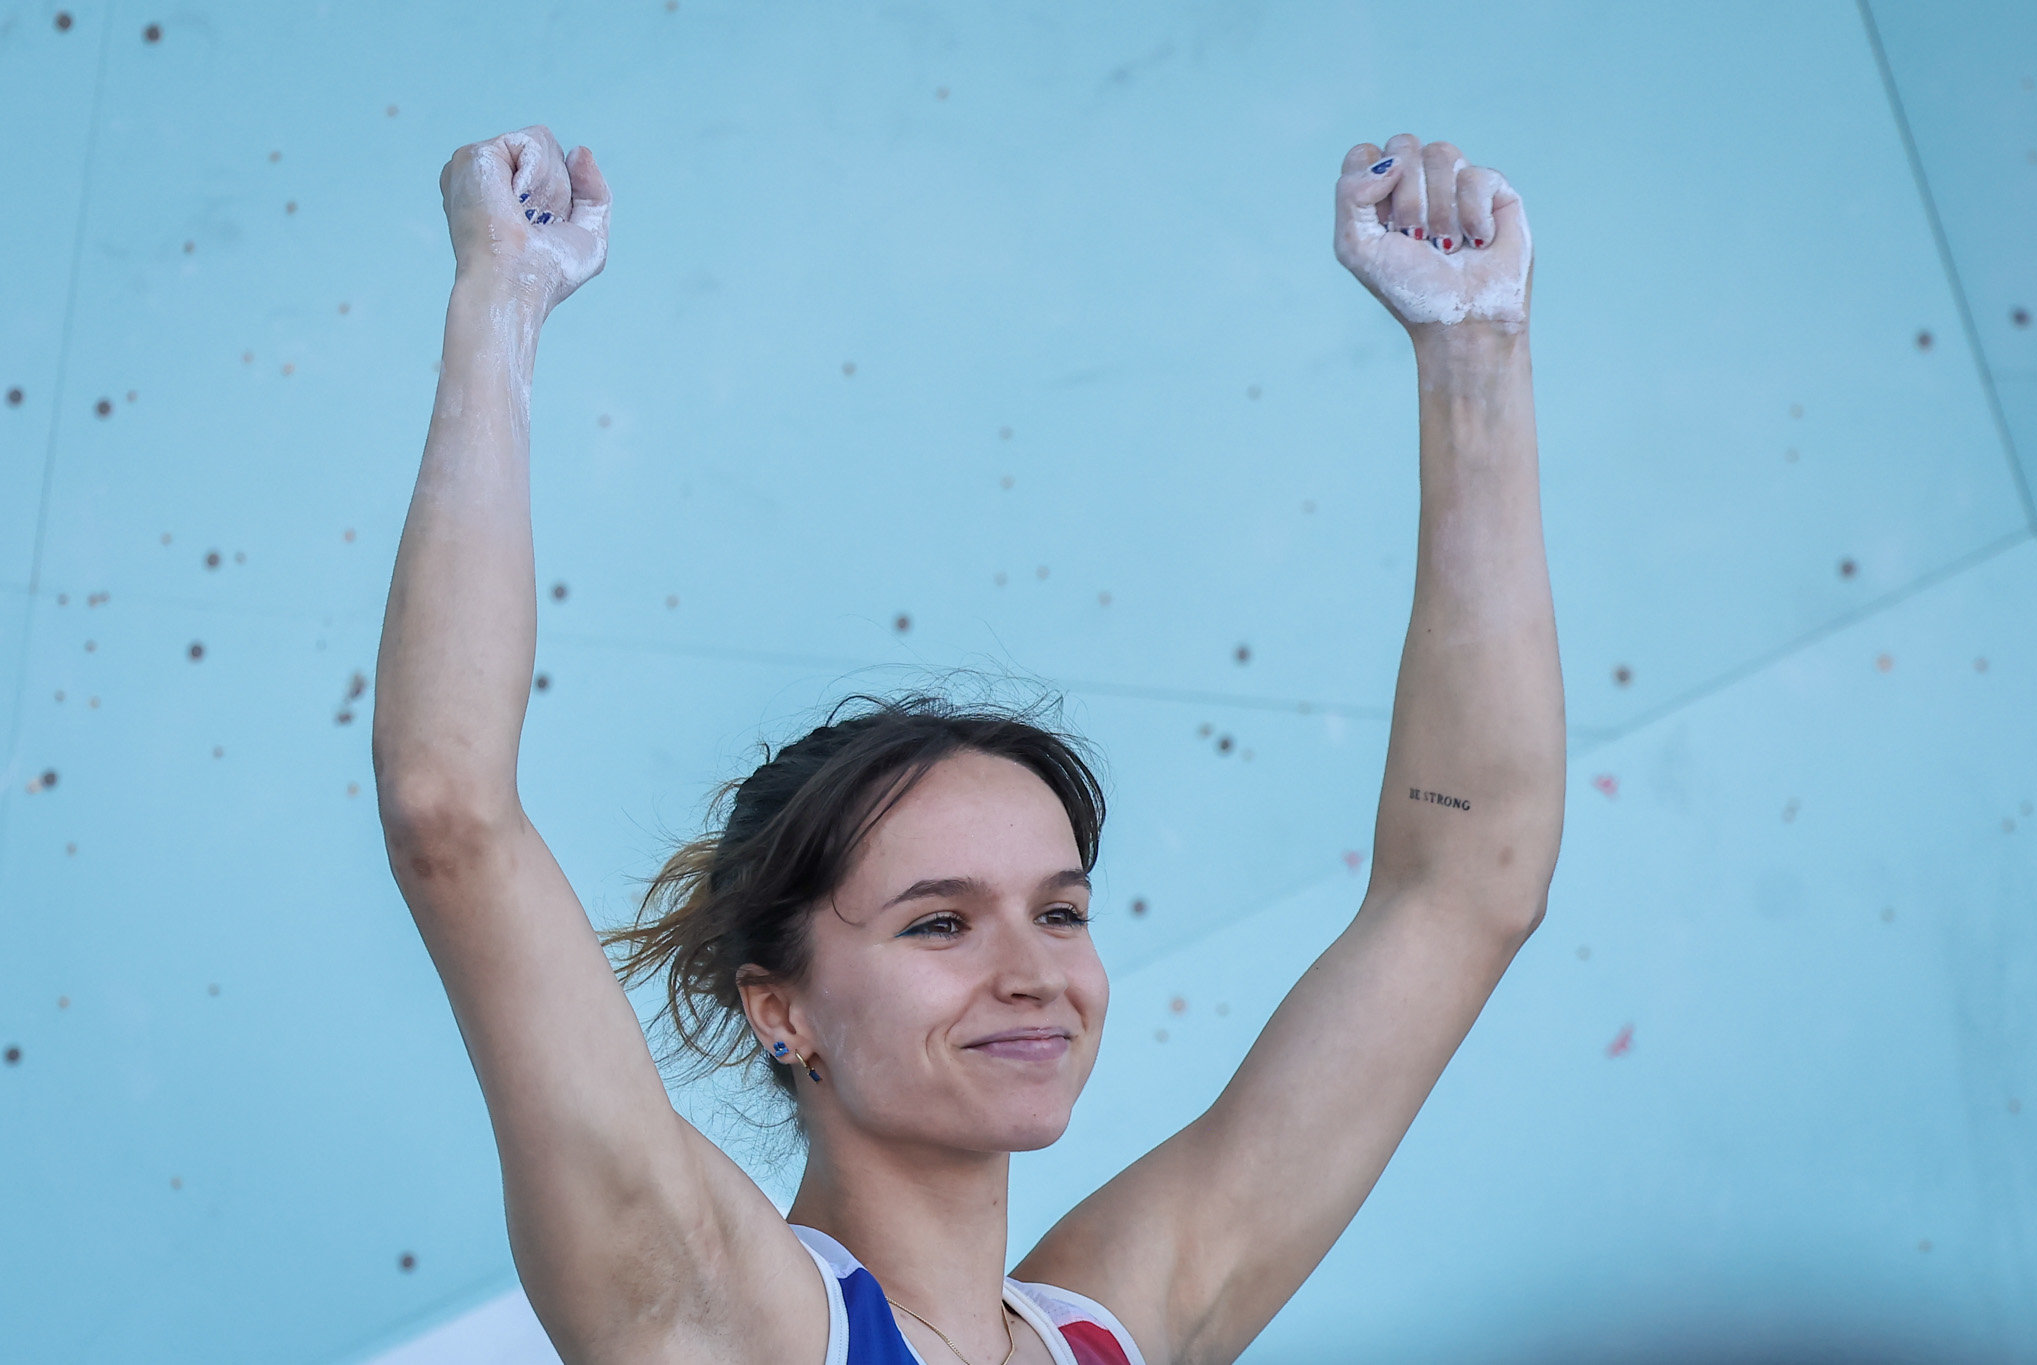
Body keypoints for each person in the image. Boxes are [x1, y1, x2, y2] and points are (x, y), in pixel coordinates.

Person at [373, 123, 1559, 1365]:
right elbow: (447, 815)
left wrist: (1472, 351)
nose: (1031, 972)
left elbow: (1466, 885)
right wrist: (498, 303)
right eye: (938, 922)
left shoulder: (1114, 1331)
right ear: (783, 1014)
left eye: (1059, 912)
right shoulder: (716, 1312)